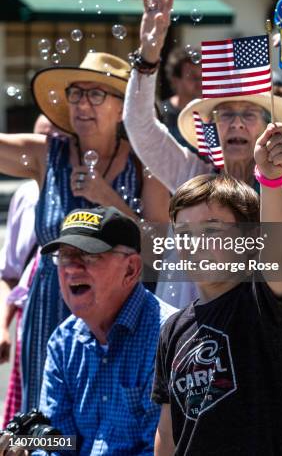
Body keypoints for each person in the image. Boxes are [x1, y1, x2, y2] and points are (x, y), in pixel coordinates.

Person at [124, 0, 282, 306]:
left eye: (248, 114)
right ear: (211, 125)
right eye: (226, 114)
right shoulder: (193, 175)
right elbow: (139, 125)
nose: (237, 122)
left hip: (257, 334)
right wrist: (148, 54)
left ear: (266, 127)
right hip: (189, 331)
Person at [0, 51, 170, 411]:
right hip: (49, 308)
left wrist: (106, 196)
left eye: (95, 94)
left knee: (112, 423)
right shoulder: (49, 155)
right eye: (75, 93)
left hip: (118, 319)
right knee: (45, 425)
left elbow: (158, 253)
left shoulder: (145, 167)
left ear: (122, 106)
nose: (81, 104)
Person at [152, 122, 282, 455]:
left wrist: (272, 179)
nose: (196, 244)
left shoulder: (261, 301)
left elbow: (278, 249)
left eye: (211, 230)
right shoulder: (172, 330)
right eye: (185, 234)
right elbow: (167, 427)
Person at [31, 206, 175, 455]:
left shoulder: (169, 336)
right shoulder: (63, 342)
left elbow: (159, 451)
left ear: (130, 269)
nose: (72, 268)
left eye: (88, 255)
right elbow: (59, 442)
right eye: (65, 256)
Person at [0, 115, 55, 426]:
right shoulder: (25, 195)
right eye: (40, 136)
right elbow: (9, 271)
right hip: (35, 319)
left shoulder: (89, 180)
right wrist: (1, 326)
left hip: (83, 320)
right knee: (30, 424)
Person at [160, 45, 202, 149]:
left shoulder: (212, 113)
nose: (200, 82)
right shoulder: (160, 114)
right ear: (175, 80)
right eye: (193, 77)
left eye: (203, 77)